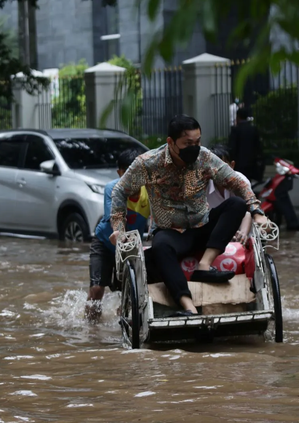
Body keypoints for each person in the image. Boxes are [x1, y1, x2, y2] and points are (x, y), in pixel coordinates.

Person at [110, 115, 268, 317]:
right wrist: (118, 229)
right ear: (171, 142)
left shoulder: (205, 157)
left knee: (236, 205)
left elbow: (236, 182)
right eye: (187, 144)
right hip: (170, 234)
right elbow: (119, 191)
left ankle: (205, 264)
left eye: (197, 142)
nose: (194, 147)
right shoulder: (148, 163)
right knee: (160, 245)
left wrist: (256, 212)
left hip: (203, 227)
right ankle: (189, 308)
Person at [85, 150, 150, 323]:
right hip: (105, 243)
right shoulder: (112, 188)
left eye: (137, 173)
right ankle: (90, 330)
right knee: (97, 289)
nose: (132, 179)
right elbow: (115, 218)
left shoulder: (150, 191)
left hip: (131, 246)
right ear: (120, 173)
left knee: (129, 293)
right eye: (127, 173)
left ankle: (122, 327)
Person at [208, 144, 252, 245]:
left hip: (240, 234)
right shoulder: (201, 185)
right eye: (213, 166)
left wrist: (243, 234)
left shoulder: (241, 181)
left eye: (222, 167)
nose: (217, 171)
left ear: (232, 165)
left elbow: (247, 212)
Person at [228, 107, 262, 182]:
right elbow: (258, 147)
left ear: (238, 116)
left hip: (239, 164)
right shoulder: (253, 129)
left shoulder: (236, 130)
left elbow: (232, 148)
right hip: (251, 163)